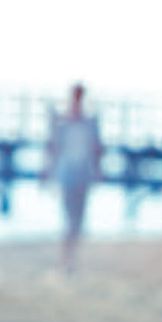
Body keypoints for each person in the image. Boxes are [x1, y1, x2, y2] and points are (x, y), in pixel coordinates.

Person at [45, 83, 102, 273]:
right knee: (69, 219)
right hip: (67, 174)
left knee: (78, 220)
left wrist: (98, 171)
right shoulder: (63, 123)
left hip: (83, 175)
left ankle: (71, 258)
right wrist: (47, 172)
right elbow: (53, 148)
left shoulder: (89, 122)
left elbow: (96, 149)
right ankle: (66, 260)